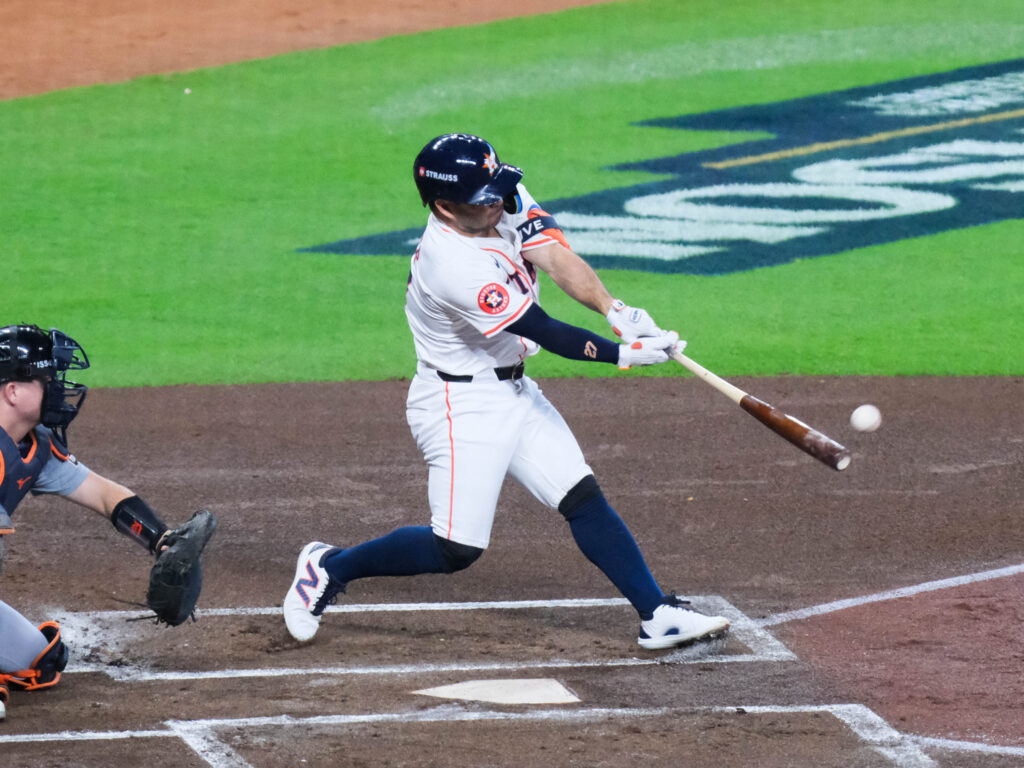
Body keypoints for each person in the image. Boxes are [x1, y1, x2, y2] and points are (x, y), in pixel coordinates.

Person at [284, 134, 729, 651]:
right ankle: (328, 567)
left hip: (515, 390)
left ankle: (657, 614)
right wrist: (622, 355)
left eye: (498, 191)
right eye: (482, 200)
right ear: (445, 207)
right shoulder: (452, 265)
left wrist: (615, 311)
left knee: (581, 496)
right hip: (459, 404)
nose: (498, 203)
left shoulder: (495, 193)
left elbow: (554, 257)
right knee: (455, 549)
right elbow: (546, 331)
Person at [0, 324, 191, 721]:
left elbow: (104, 494)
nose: (59, 387)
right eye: (48, 378)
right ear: (13, 391)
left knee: (38, 660)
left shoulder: (32, 445)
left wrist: (163, 541)